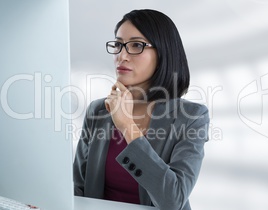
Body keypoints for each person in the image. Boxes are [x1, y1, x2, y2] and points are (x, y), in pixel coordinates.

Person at [73, 9, 209, 210]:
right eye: (118, 45)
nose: (122, 56)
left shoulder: (191, 117)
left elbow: (173, 200)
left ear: (163, 52)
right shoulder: (98, 110)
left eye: (136, 45)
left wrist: (127, 126)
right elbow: (79, 191)